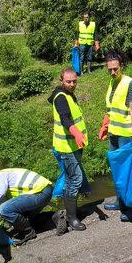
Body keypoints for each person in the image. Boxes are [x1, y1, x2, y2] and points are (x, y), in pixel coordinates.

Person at [98, 51, 132, 221]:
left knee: (128, 172)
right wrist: (104, 125)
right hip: (113, 134)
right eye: (110, 69)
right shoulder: (111, 82)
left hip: (125, 135)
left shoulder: (130, 84)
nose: (113, 72)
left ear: (122, 66)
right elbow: (110, 108)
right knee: (117, 170)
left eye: (115, 69)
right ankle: (120, 200)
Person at [48, 67, 90, 231]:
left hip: (73, 146)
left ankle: (65, 212)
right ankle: (72, 218)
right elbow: (65, 118)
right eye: (68, 81)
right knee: (76, 179)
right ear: (61, 81)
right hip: (67, 148)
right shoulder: (60, 98)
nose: (72, 84)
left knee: (70, 178)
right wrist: (77, 134)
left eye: (74, 81)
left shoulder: (67, 94)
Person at [0, 169, 54, 245]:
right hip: (45, 191)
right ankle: (53, 217)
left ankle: (28, 232)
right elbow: (10, 204)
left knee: (4, 209)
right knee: (26, 219)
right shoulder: (5, 178)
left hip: (39, 193)